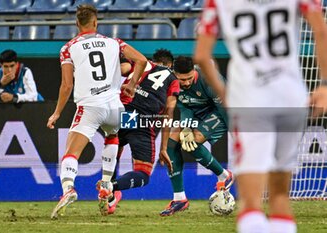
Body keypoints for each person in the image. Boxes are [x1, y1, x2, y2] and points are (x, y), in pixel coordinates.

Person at [194, 1, 327, 232]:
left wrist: (226, 96)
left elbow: (202, 56)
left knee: (252, 203)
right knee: (280, 197)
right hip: (291, 98)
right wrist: (324, 85)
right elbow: (321, 31)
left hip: (249, 99)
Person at [47, 4, 147, 219]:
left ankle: (68, 190)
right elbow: (141, 60)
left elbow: (66, 85)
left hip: (90, 106)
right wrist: (132, 85)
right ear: (95, 22)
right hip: (115, 106)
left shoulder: (68, 48)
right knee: (112, 138)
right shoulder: (114, 42)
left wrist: (56, 113)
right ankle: (106, 186)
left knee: (71, 153)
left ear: (77, 24)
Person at [102, 53, 179, 215]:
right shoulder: (173, 79)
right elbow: (169, 112)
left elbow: (124, 67)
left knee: (116, 145)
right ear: (170, 66)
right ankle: (111, 187)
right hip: (143, 121)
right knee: (143, 174)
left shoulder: (142, 63)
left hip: (121, 110)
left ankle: (110, 194)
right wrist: (164, 147)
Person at [160, 56, 233, 216]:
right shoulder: (172, 84)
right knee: (172, 142)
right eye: (181, 79)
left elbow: (225, 107)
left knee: (191, 141)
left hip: (220, 113)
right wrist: (186, 126)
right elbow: (184, 107)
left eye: (189, 78)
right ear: (174, 74)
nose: (185, 83)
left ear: (194, 71)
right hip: (197, 114)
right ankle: (179, 199)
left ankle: (223, 175)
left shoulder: (209, 80)